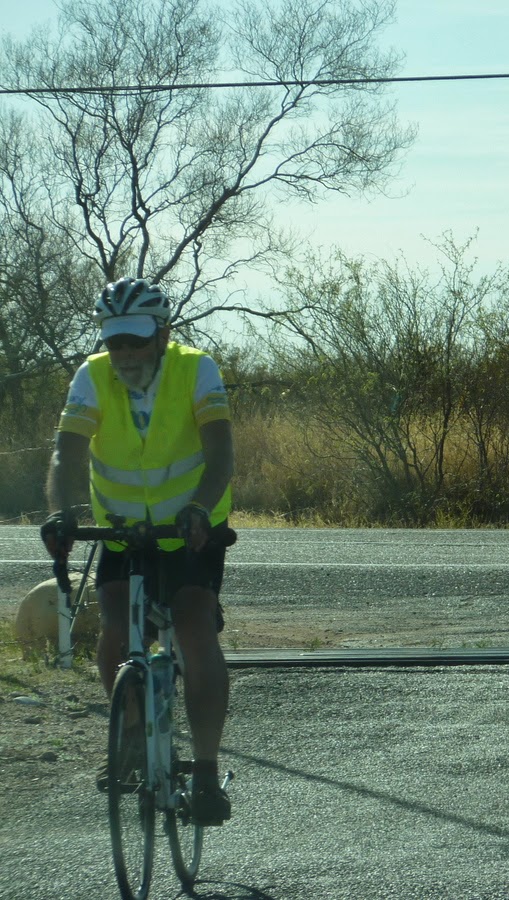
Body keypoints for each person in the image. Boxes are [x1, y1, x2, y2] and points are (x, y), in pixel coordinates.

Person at [40, 277, 236, 826]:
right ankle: (129, 732)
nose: (125, 352)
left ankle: (203, 771)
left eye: (135, 339)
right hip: (123, 527)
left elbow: (221, 449)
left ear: (162, 333)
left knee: (194, 628)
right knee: (116, 627)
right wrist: (63, 511)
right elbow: (67, 453)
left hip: (192, 527)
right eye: (115, 340)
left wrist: (200, 507)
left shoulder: (196, 368)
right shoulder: (91, 375)